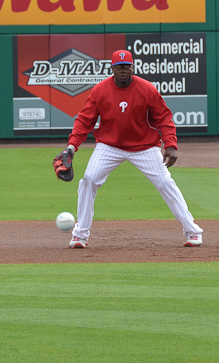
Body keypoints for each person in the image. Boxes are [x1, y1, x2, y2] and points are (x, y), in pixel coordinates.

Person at [56, 49, 203, 248]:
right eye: (118, 67)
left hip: (144, 146)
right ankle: (80, 235)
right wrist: (72, 147)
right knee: (89, 179)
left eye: (126, 67)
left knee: (165, 183)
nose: (123, 71)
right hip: (109, 146)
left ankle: (192, 231)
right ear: (113, 69)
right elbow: (84, 120)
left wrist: (170, 145)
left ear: (132, 67)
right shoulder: (100, 90)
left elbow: (164, 117)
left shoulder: (147, 89)